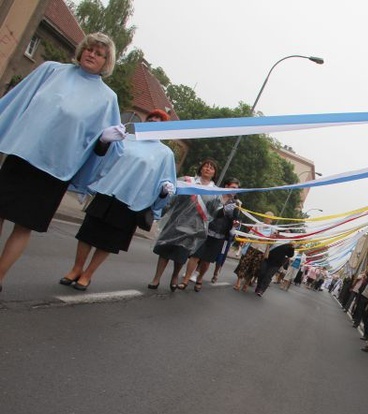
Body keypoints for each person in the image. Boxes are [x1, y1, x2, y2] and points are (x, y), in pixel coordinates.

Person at [0, 32, 124, 292]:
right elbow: (19, 100)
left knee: (24, 226)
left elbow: (104, 148)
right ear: (81, 50)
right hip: (22, 156)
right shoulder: (50, 71)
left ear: (106, 62)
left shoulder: (107, 98)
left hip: (55, 171)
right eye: (89, 49)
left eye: (99, 53)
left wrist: (104, 140)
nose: (92, 54)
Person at [59, 109, 176, 291]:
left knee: (109, 240)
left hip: (131, 201)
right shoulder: (126, 139)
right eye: (150, 119)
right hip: (108, 191)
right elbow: (104, 158)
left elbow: (167, 183)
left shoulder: (165, 153)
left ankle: (88, 274)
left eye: (158, 121)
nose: (153, 122)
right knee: (87, 232)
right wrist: (106, 140)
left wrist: (164, 191)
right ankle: (76, 268)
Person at [148, 159, 223, 291]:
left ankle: (175, 276)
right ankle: (156, 278)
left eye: (211, 168)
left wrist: (224, 209)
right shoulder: (187, 181)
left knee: (180, 256)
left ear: (214, 173)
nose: (207, 168)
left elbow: (214, 212)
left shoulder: (215, 192)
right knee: (164, 252)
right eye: (206, 165)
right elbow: (172, 197)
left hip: (193, 228)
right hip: (175, 222)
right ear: (201, 168)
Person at [179, 178, 241, 292]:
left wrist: (235, 224)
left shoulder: (236, 205)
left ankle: (200, 279)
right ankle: (185, 280)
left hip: (219, 236)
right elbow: (207, 210)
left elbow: (236, 219)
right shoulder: (215, 196)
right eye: (233, 187)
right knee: (195, 256)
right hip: (205, 231)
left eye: (237, 189)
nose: (235, 191)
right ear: (226, 186)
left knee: (207, 260)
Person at [233, 211, 275, 292]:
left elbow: (272, 242)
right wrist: (257, 237)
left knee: (254, 268)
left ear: (272, 220)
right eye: (266, 216)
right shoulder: (257, 224)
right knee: (244, 264)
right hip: (252, 247)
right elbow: (250, 234)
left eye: (269, 218)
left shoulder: (272, 230)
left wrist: (271, 239)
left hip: (261, 251)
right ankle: (238, 283)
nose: (267, 219)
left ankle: (246, 283)